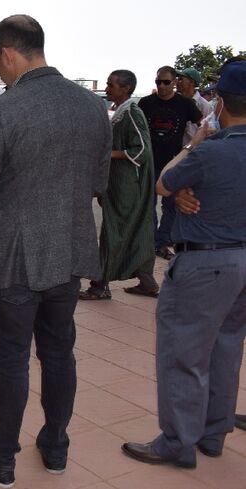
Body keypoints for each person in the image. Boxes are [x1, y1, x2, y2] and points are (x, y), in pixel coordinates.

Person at [0, 15, 111, 487]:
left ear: (7, 54)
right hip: (68, 252)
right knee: (60, 354)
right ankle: (56, 446)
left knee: (11, 360)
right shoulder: (91, 106)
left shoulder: (3, 111)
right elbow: (98, 182)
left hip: (12, 260)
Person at [122, 60, 246, 470]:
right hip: (242, 262)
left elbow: (162, 182)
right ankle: (213, 434)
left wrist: (194, 146)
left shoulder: (212, 151)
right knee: (227, 348)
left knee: (184, 353)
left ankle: (177, 442)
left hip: (205, 261)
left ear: (221, 104)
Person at [80, 70, 158, 300]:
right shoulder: (122, 112)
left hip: (126, 186)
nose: (107, 88)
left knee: (114, 233)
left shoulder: (132, 113)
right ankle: (147, 282)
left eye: (112, 85)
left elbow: (142, 150)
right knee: (132, 233)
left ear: (126, 88)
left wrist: (109, 154)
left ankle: (99, 285)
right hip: (119, 184)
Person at [138, 66, 203, 260]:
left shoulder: (185, 104)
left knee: (171, 206)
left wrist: (191, 148)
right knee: (148, 206)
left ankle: (163, 242)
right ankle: (149, 242)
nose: (162, 86)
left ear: (174, 83)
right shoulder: (146, 103)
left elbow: (204, 126)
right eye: (158, 82)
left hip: (174, 164)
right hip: (149, 162)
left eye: (166, 82)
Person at [177, 67, 214, 145]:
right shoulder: (176, 102)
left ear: (192, 82)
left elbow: (208, 131)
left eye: (181, 79)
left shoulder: (204, 106)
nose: (177, 82)